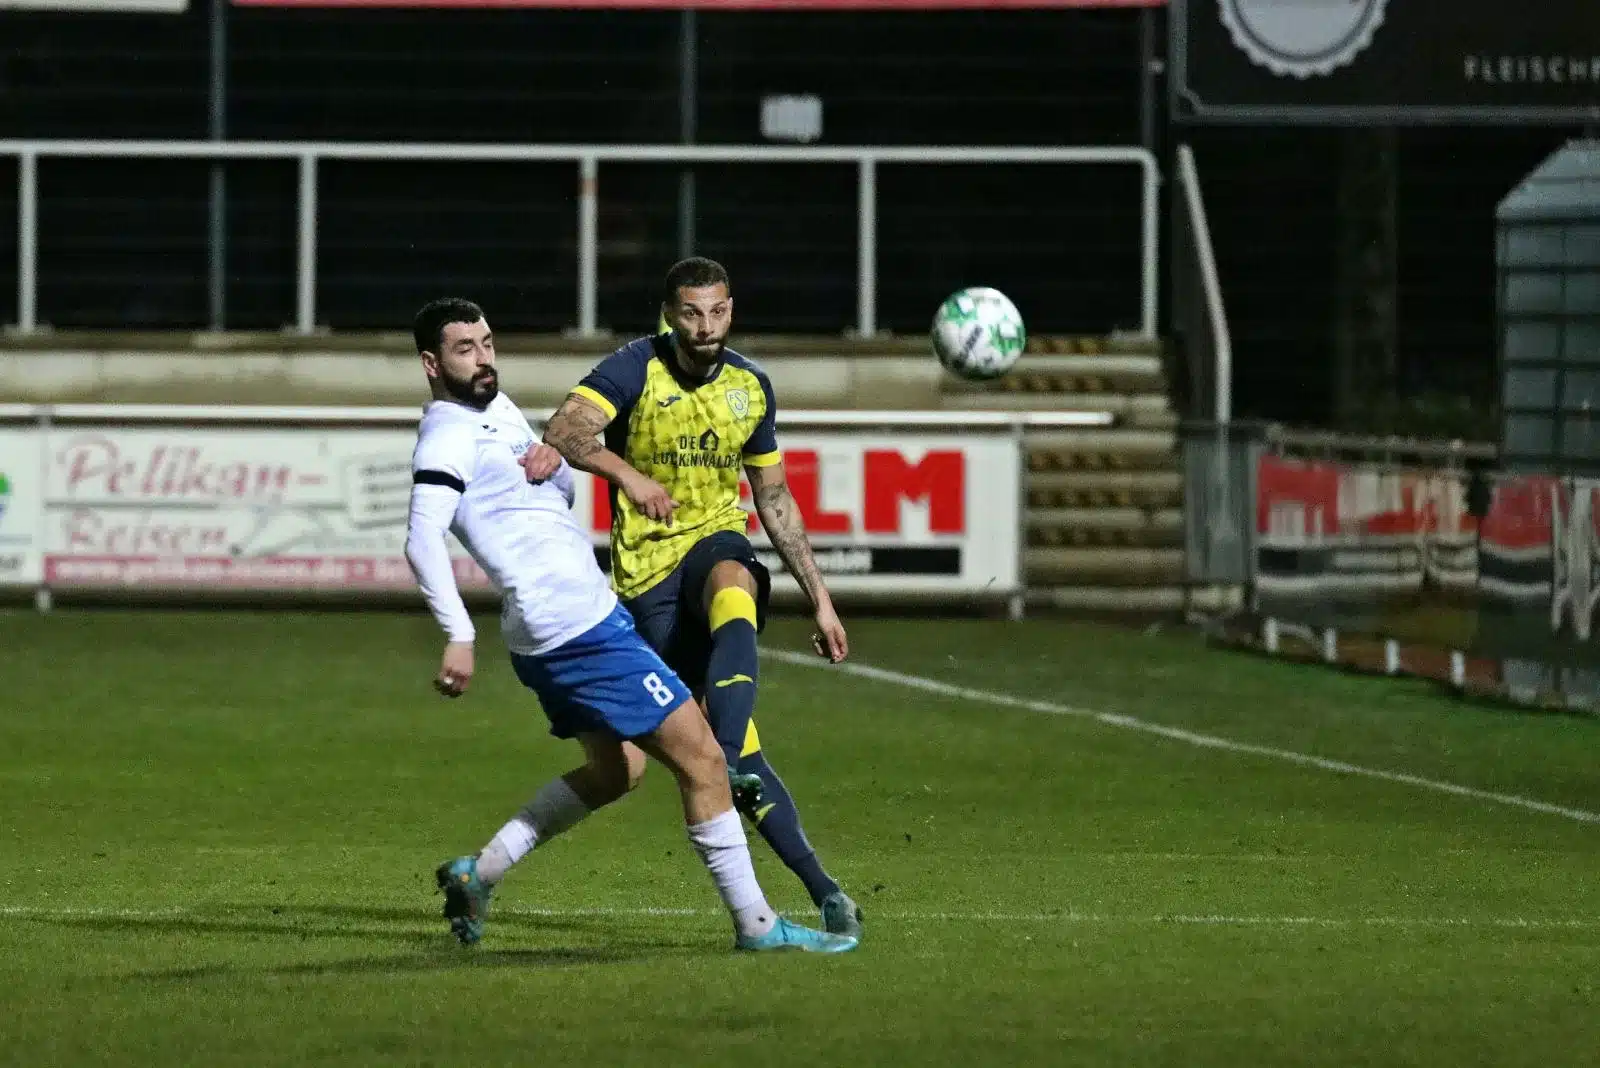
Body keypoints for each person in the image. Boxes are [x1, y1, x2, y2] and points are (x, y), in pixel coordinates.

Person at [402, 297, 855, 955]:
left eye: (488, 342)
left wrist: (554, 469)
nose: (483, 358)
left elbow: (533, 496)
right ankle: (759, 926)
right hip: (576, 629)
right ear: (431, 363)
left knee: (618, 772)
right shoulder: (445, 435)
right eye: (464, 349)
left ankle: (481, 872)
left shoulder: (494, 410)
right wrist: (458, 634)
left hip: (556, 627)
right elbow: (421, 536)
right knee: (703, 757)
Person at [539, 258, 864, 940]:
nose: (705, 325)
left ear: (731, 311)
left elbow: (771, 498)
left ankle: (826, 891)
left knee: (731, 569)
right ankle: (815, 888)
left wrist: (822, 600)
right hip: (645, 587)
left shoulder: (751, 387)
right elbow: (564, 431)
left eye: (717, 312)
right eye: (691, 312)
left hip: (711, 550)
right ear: (670, 313)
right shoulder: (634, 370)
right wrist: (626, 475)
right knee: (734, 758)